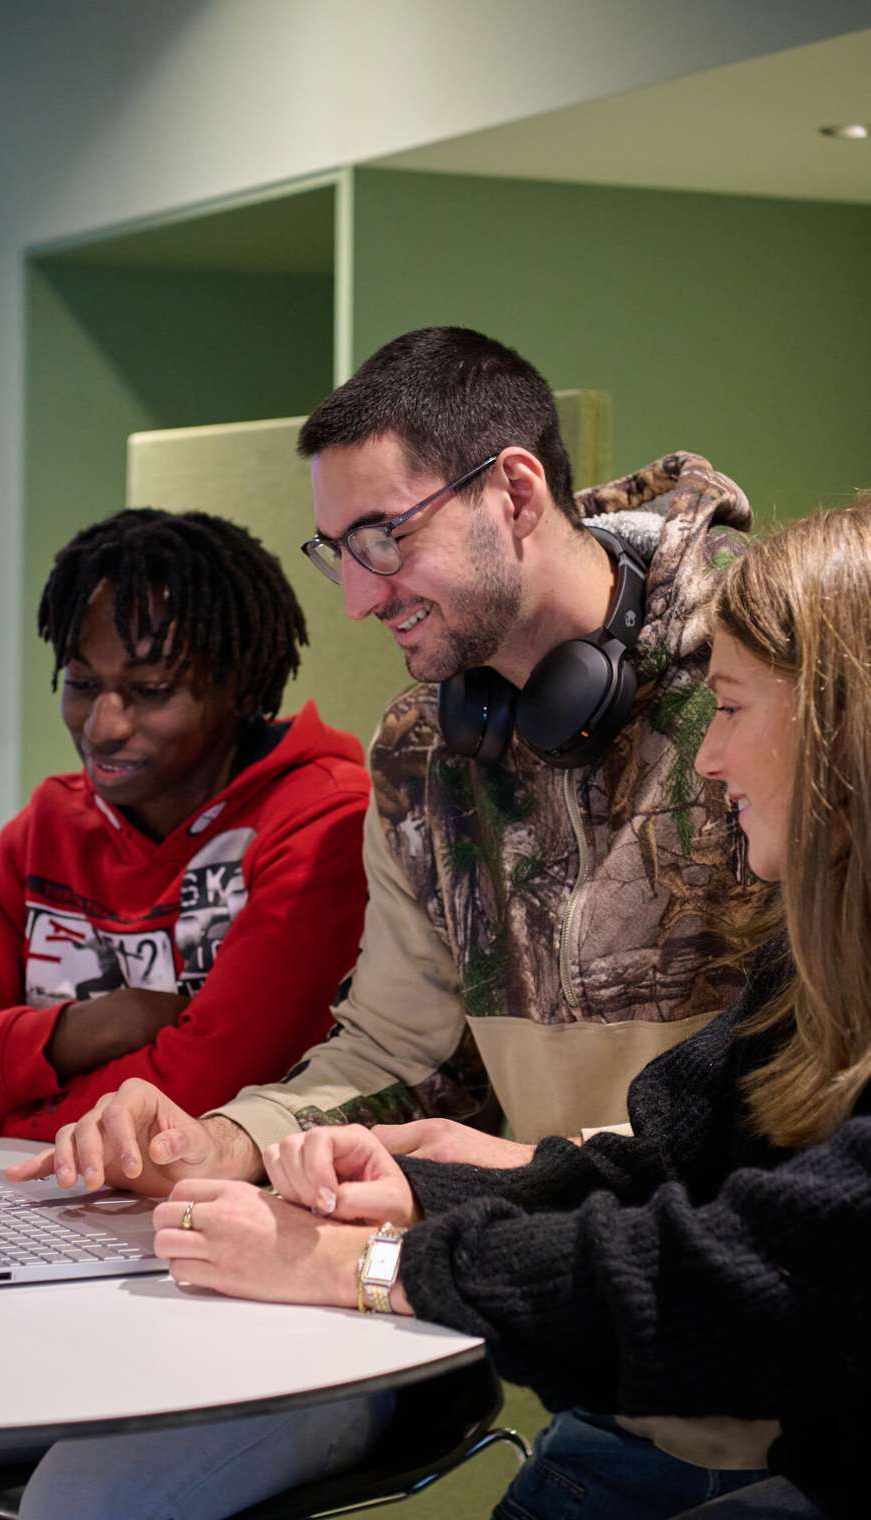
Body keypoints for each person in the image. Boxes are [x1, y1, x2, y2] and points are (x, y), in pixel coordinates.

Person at [19, 327, 775, 1509]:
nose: (362, 595)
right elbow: (391, 1054)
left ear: (516, 491)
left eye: (386, 537)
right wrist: (224, 1139)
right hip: (616, 1372)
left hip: (798, 1368)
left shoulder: (775, 679)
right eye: (338, 551)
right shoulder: (428, 753)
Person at [153, 496, 871, 1519]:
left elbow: (725, 1279)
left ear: (843, 725)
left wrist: (370, 1266)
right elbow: (663, 1152)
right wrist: (430, 1183)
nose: (710, 762)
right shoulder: (819, 961)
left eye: (740, 709)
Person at [0, 507, 370, 1140]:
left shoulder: (324, 822)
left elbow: (200, 1094)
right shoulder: (48, 828)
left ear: (239, 685)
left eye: (150, 690)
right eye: (81, 682)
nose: (102, 728)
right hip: (51, 1205)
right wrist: (90, 1028)